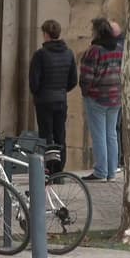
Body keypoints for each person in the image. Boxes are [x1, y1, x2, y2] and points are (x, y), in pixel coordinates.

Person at [28, 19, 77, 170]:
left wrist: (38, 93)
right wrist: (61, 90)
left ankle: (49, 167)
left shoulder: (40, 55)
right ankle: (59, 170)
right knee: (60, 135)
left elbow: (34, 82)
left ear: (46, 34)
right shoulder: (69, 54)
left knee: (46, 136)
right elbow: (73, 80)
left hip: (44, 101)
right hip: (60, 100)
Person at [79, 17, 123, 182]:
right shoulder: (119, 48)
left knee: (99, 135)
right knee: (111, 134)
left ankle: (100, 171)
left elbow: (87, 75)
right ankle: (111, 171)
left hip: (97, 97)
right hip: (116, 97)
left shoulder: (95, 50)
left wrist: (85, 91)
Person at [110, 20, 125, 171]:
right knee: (116, 128)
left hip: (113, 93)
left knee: (113, 129)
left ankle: (116, 161)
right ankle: (119, 160)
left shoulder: (116, 48)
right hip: (119, 92)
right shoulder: (123, 45)